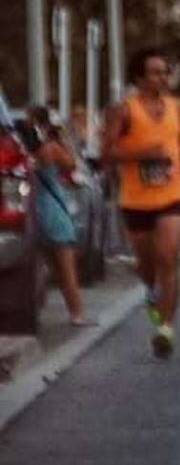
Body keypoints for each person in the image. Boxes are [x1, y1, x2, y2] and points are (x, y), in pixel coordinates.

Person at [103, 48, 180, 358]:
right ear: (139, 77)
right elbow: (106, 154)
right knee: (147, 266)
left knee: (169, 257)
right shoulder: (122, 110)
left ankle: (166, 328)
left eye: (165, 72)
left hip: (172, 194)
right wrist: (141, 154)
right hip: (136, 199)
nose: (162, 78)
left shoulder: (176, 106)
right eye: (155, 72)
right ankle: (153, 293)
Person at [27, 107, 97, 327]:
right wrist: (61, 137)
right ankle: (76, 313)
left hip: (32, 209)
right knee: (66, 267)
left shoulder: (27, 151)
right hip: (54, 208)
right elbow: (72, 164)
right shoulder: (52, 148)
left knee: (36, 264)